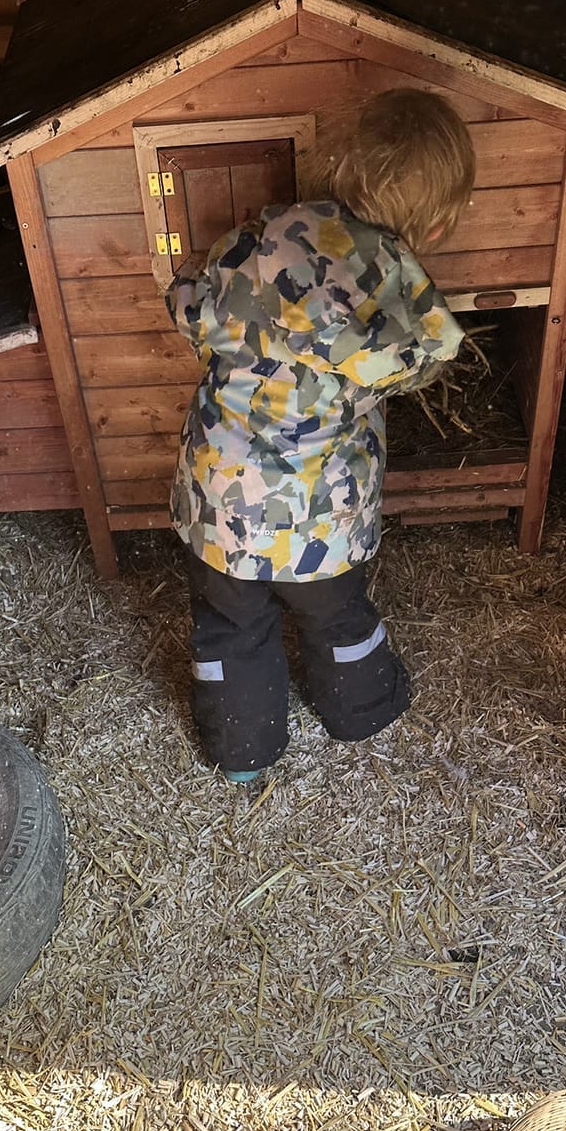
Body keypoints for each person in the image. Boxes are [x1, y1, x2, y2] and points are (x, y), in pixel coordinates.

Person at [166, 88, 475, 782]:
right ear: (442, 213)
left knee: (230, 627)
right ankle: (360, 712)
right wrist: (362, 382)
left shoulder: (265, 233)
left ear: (341, 161)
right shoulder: (395, 276)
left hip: (221, 504)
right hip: (321, 521)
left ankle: (241, 754)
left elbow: (189, 303)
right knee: (337, 618)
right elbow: (429, 354)